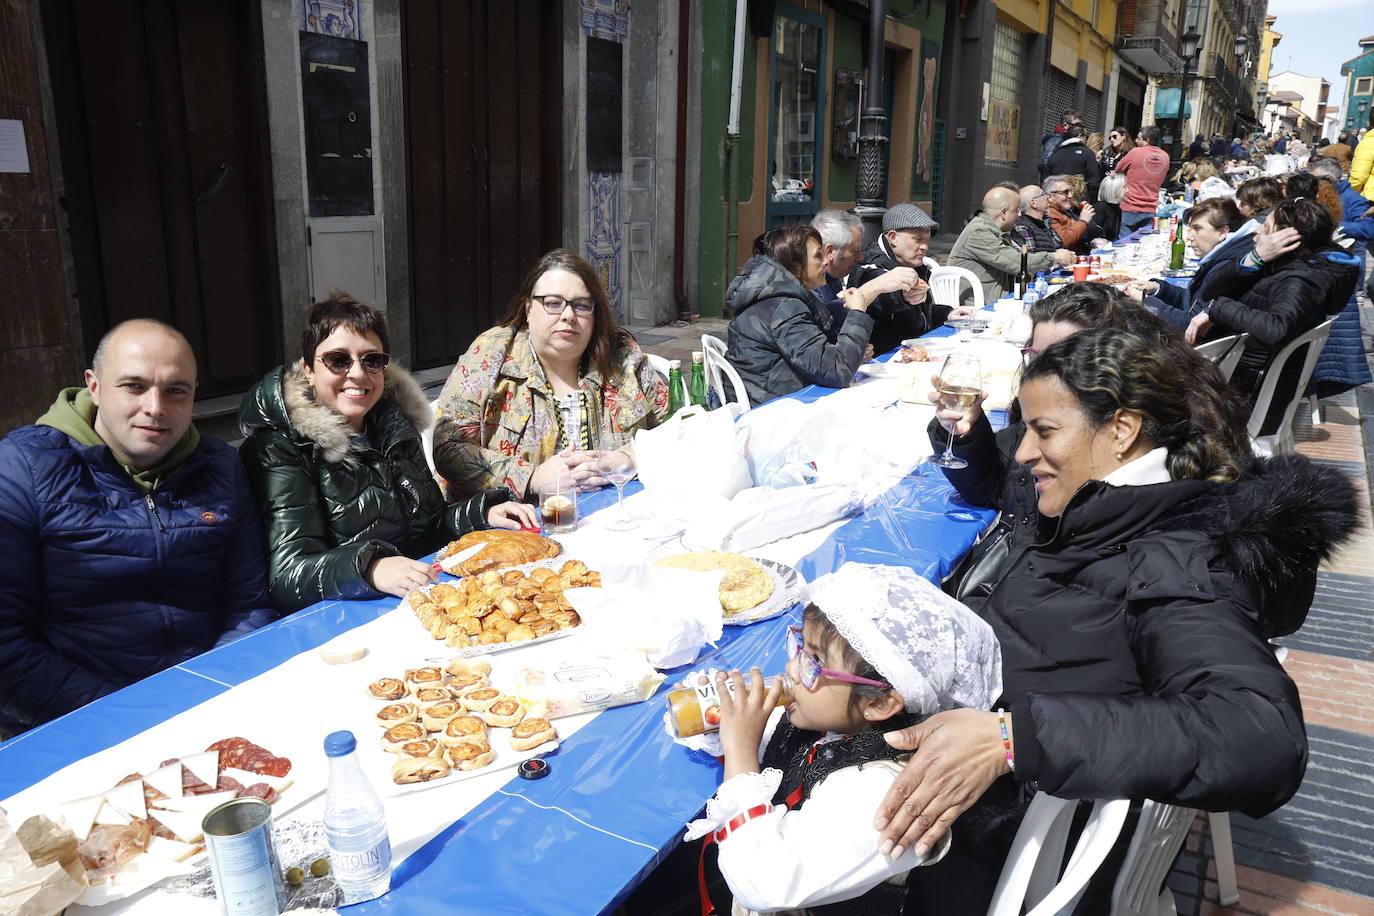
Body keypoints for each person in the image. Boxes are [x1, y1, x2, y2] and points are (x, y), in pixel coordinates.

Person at [888, 327, 1358, 914]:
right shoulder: (1103, 505)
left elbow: (1260, 737)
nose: (1026, 452)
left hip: (1002, 844)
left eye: (1043, 431)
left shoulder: (1174, 562)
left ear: (1121, 430)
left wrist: (1015, 739)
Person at [0, 319, 274, 738]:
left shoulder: (221, 466)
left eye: (175, 390)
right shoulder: (24, 468)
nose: (155, 407)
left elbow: (249, 601)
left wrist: (218, 691)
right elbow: (6, 643)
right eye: (133, 386)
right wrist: (126, 717)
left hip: (209, 702)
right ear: (94, 386)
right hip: (77, 720)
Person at [685, 563, 1002, 916]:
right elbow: (781, 747)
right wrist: (730, 723)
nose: (792, 668)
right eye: (799, 647)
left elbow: (764, 883)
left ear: (880, 702)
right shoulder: (832, 720)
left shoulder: (885, 794)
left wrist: (740, 754)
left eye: (815, 660)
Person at [238, 296, 536, 613]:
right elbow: (288, 576)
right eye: (338, 360)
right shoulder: (280, 448)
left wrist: (481, 514)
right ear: (309, 370)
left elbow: (432, 528)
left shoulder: (395, 427)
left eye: (371, 360)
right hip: (341, 620)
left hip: (418, 598)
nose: (357, 373)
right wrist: (370, 569)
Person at [432, 249, 668, 501]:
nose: (568, 315)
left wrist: (628, 458)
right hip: (513, 524)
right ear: (528, 309)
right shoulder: (490, 355)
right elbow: (448, 448)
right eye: (553, 303)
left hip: (614, 513)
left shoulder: (621, 357)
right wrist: (532, 478)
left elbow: (679, 428)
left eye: (581, 305)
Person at [1185, 198, 1360, 434]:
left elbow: (1275, 327)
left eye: (1265, 227)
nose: (1256, 231)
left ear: (1286, 239)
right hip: (1239, 377)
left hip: (1246, 396)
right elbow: (1210, 291)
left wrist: (1218, 309)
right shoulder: (1280, 264)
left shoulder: (1301, 279)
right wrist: (1255, 257)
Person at [726, 223, 875, 404]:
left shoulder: (775, 294)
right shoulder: (784, 307)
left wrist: (851, 349)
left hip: (770, 395)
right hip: (771, 411)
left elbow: (816, 353)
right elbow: (837, 370)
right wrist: (858, 311)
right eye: (818, 256)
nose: (826, 261)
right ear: (795, 266)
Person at [844, 203, 967, 355]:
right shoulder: (870, 265)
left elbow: (919, 315)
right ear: (893, 238)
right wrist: (903, 295)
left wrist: (947, 313)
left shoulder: (913, 263)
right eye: (917, 239)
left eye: (926, 240)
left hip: (918, 350)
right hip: (884, 358)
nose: (925, 247)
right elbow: (879, 295)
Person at [1125, 197, 1252, 329]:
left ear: (1222, 232)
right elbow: (1192, 302)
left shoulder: (1225, 269)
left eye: (1197, 229)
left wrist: (1145, 301)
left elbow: (1189, 324)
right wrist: (1157, 289)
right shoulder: (1220, 260)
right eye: (1190, 229)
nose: (1189, 237)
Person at [946, 187, 1074, 306]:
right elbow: (1018, 263)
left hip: (997, 299)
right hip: (978, 308)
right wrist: (1054, 257)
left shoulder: (993, 230)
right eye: (1016, 210)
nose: (1019, 214)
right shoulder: (979, 232)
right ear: (1004, 213)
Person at [1113, 126, 1170, 238]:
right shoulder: (1165, 157)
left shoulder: (1135, 152)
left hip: (1131, 205)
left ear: (1147, 141)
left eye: (1139, 138)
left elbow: (1118, 169)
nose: (1135, 140)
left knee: (1124, 245)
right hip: (1151, 207)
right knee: (1144, 245)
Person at [1042, 174, 1109, 254]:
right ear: (1050, 196)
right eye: (1065, 192)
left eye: (1070, 191)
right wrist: (1083, 221)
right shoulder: (1049, 214)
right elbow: (1063, 241)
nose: (1070, 195)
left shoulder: (1064, 210)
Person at [1042, 124, 1102, 197]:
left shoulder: (1055, 155)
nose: (1087, 140)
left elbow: (1047, 180)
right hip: (1080, 202)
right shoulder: (1088, 153)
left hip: (1058, 200)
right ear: (1080, 135)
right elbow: (1093, 181)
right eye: (1086, 137)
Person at [1012, 186, 1063, 252]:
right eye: (1044, 195)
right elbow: (1031, 258)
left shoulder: (1046, 223)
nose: (1049, 199)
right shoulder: (1023, 227)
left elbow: (1060, 247)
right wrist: (1056, 257)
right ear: (1034, 203)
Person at [1039, 109, 1083, 177]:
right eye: (1077, 126)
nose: (1080, 129)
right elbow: (1043, 164)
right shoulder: (1056, 140)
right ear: (1065, 125)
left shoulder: (1068, 140)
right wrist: (1057, 179)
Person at [1346, 111, 1374, 205]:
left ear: (1369, 123)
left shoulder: (1369, 143)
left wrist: (1348, 194)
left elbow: (1359, 177)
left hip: (1370, 198)